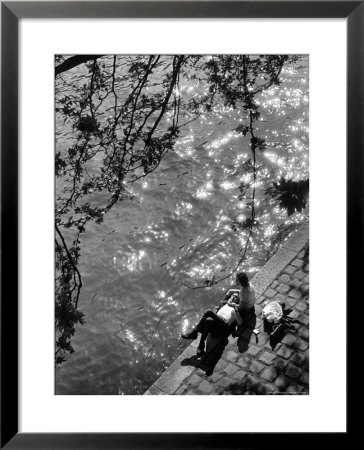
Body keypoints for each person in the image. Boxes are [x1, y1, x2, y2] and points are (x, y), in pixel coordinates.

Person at [181, 271, 256, 356]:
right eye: (233, 296)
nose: (233, 297)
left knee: (208, 312)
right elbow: (232, 294)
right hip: (218, 324)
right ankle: (201, 345)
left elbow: (241, 321)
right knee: (208, 320)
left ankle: (194, 333)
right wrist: (228, 299)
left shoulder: (235, 308)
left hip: (223, 325)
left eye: (235, 297)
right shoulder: (230, 301)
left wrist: (233, 306)